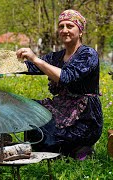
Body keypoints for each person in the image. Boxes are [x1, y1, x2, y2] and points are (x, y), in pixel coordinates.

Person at [16, 9, 103, 160]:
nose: (65, 30)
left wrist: (35, 59)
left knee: (51, 135)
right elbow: (27, 67)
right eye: (61, 26)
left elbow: (66, 77)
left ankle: (78, 149)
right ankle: (59, 151)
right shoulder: (57, 56)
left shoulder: (88, 54)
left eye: (70, 26)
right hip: (61, 107)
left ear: (80, 31)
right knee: (29, 109)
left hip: (85, 118)